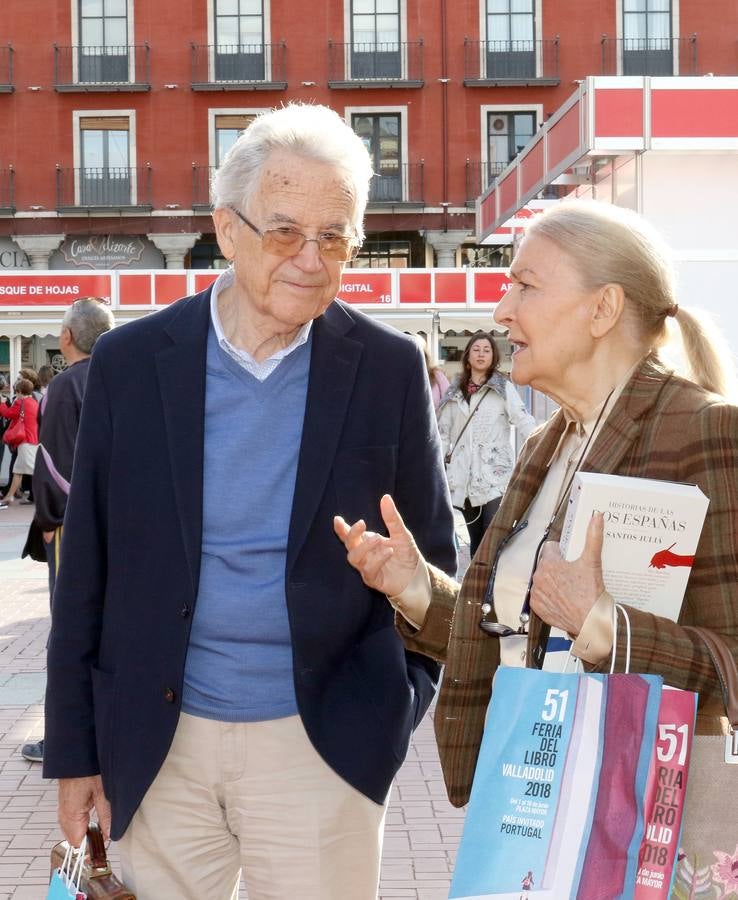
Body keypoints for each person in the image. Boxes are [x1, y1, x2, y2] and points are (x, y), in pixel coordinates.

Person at [43, 102, 456, 900]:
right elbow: (85, 570)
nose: (311, 258)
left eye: (335, 236)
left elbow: (433, 563)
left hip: (322, 745)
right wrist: (75, 751)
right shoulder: (131, 364)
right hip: (161, 745)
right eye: (285, 231)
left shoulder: (388, 370)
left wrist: (388, 716)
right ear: (226, 231)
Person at [335, 200, 738, 823]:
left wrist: (603, 624)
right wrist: (414, 586)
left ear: (602, 309)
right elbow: (522, 635)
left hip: (640, 830)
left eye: (525, 285)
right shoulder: (545, 446)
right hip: (534, 812)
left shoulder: (706, 432)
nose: (501, 311)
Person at [19, 298, 115, 764]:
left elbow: (55, 463)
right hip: (119, 528)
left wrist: (53, 520)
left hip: (74, 531)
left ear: (67, 338)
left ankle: (64, 740)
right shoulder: (122, 379)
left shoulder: (65, 386)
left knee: (70, 634)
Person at [437, 330, 535, 557]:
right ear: (468, 356)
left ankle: (491, 588)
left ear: (493, 357)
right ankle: (477, 589)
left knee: (493, 537)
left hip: (495, 476)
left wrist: (541, 443)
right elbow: (443, 435)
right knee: (476, 540)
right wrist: (434, 465)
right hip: (465, 478)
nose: (481, 354)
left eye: (487, 350)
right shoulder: (454, 392)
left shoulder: (503, 388)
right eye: (476, 349)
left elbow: (522, 419)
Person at [0, 377, 39, 508]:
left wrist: (2, 403)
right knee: (19, 470)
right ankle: (9, 496)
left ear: (20, 391)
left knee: (31, 470)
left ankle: (10, 496)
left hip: (25, 441)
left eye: (16, 391)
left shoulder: (20, 402)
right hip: (34, 439)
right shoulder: (34, 402)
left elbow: (7, 413)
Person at [413, 334, 449, 410]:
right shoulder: (400, 377)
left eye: (418, 352)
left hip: (437, 421)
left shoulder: (436, 374)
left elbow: (449, 400)